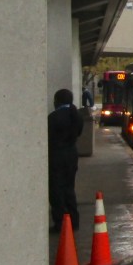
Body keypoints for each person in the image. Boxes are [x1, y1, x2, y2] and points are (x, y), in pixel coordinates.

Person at [48, 88, 83, 231]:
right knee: (69, 188)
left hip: (57, 155)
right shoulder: (76, 116)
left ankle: (60, 222)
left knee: (56, 189)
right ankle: (73, 220)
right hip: (71, 155)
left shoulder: (54, 117)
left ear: (57, 101)